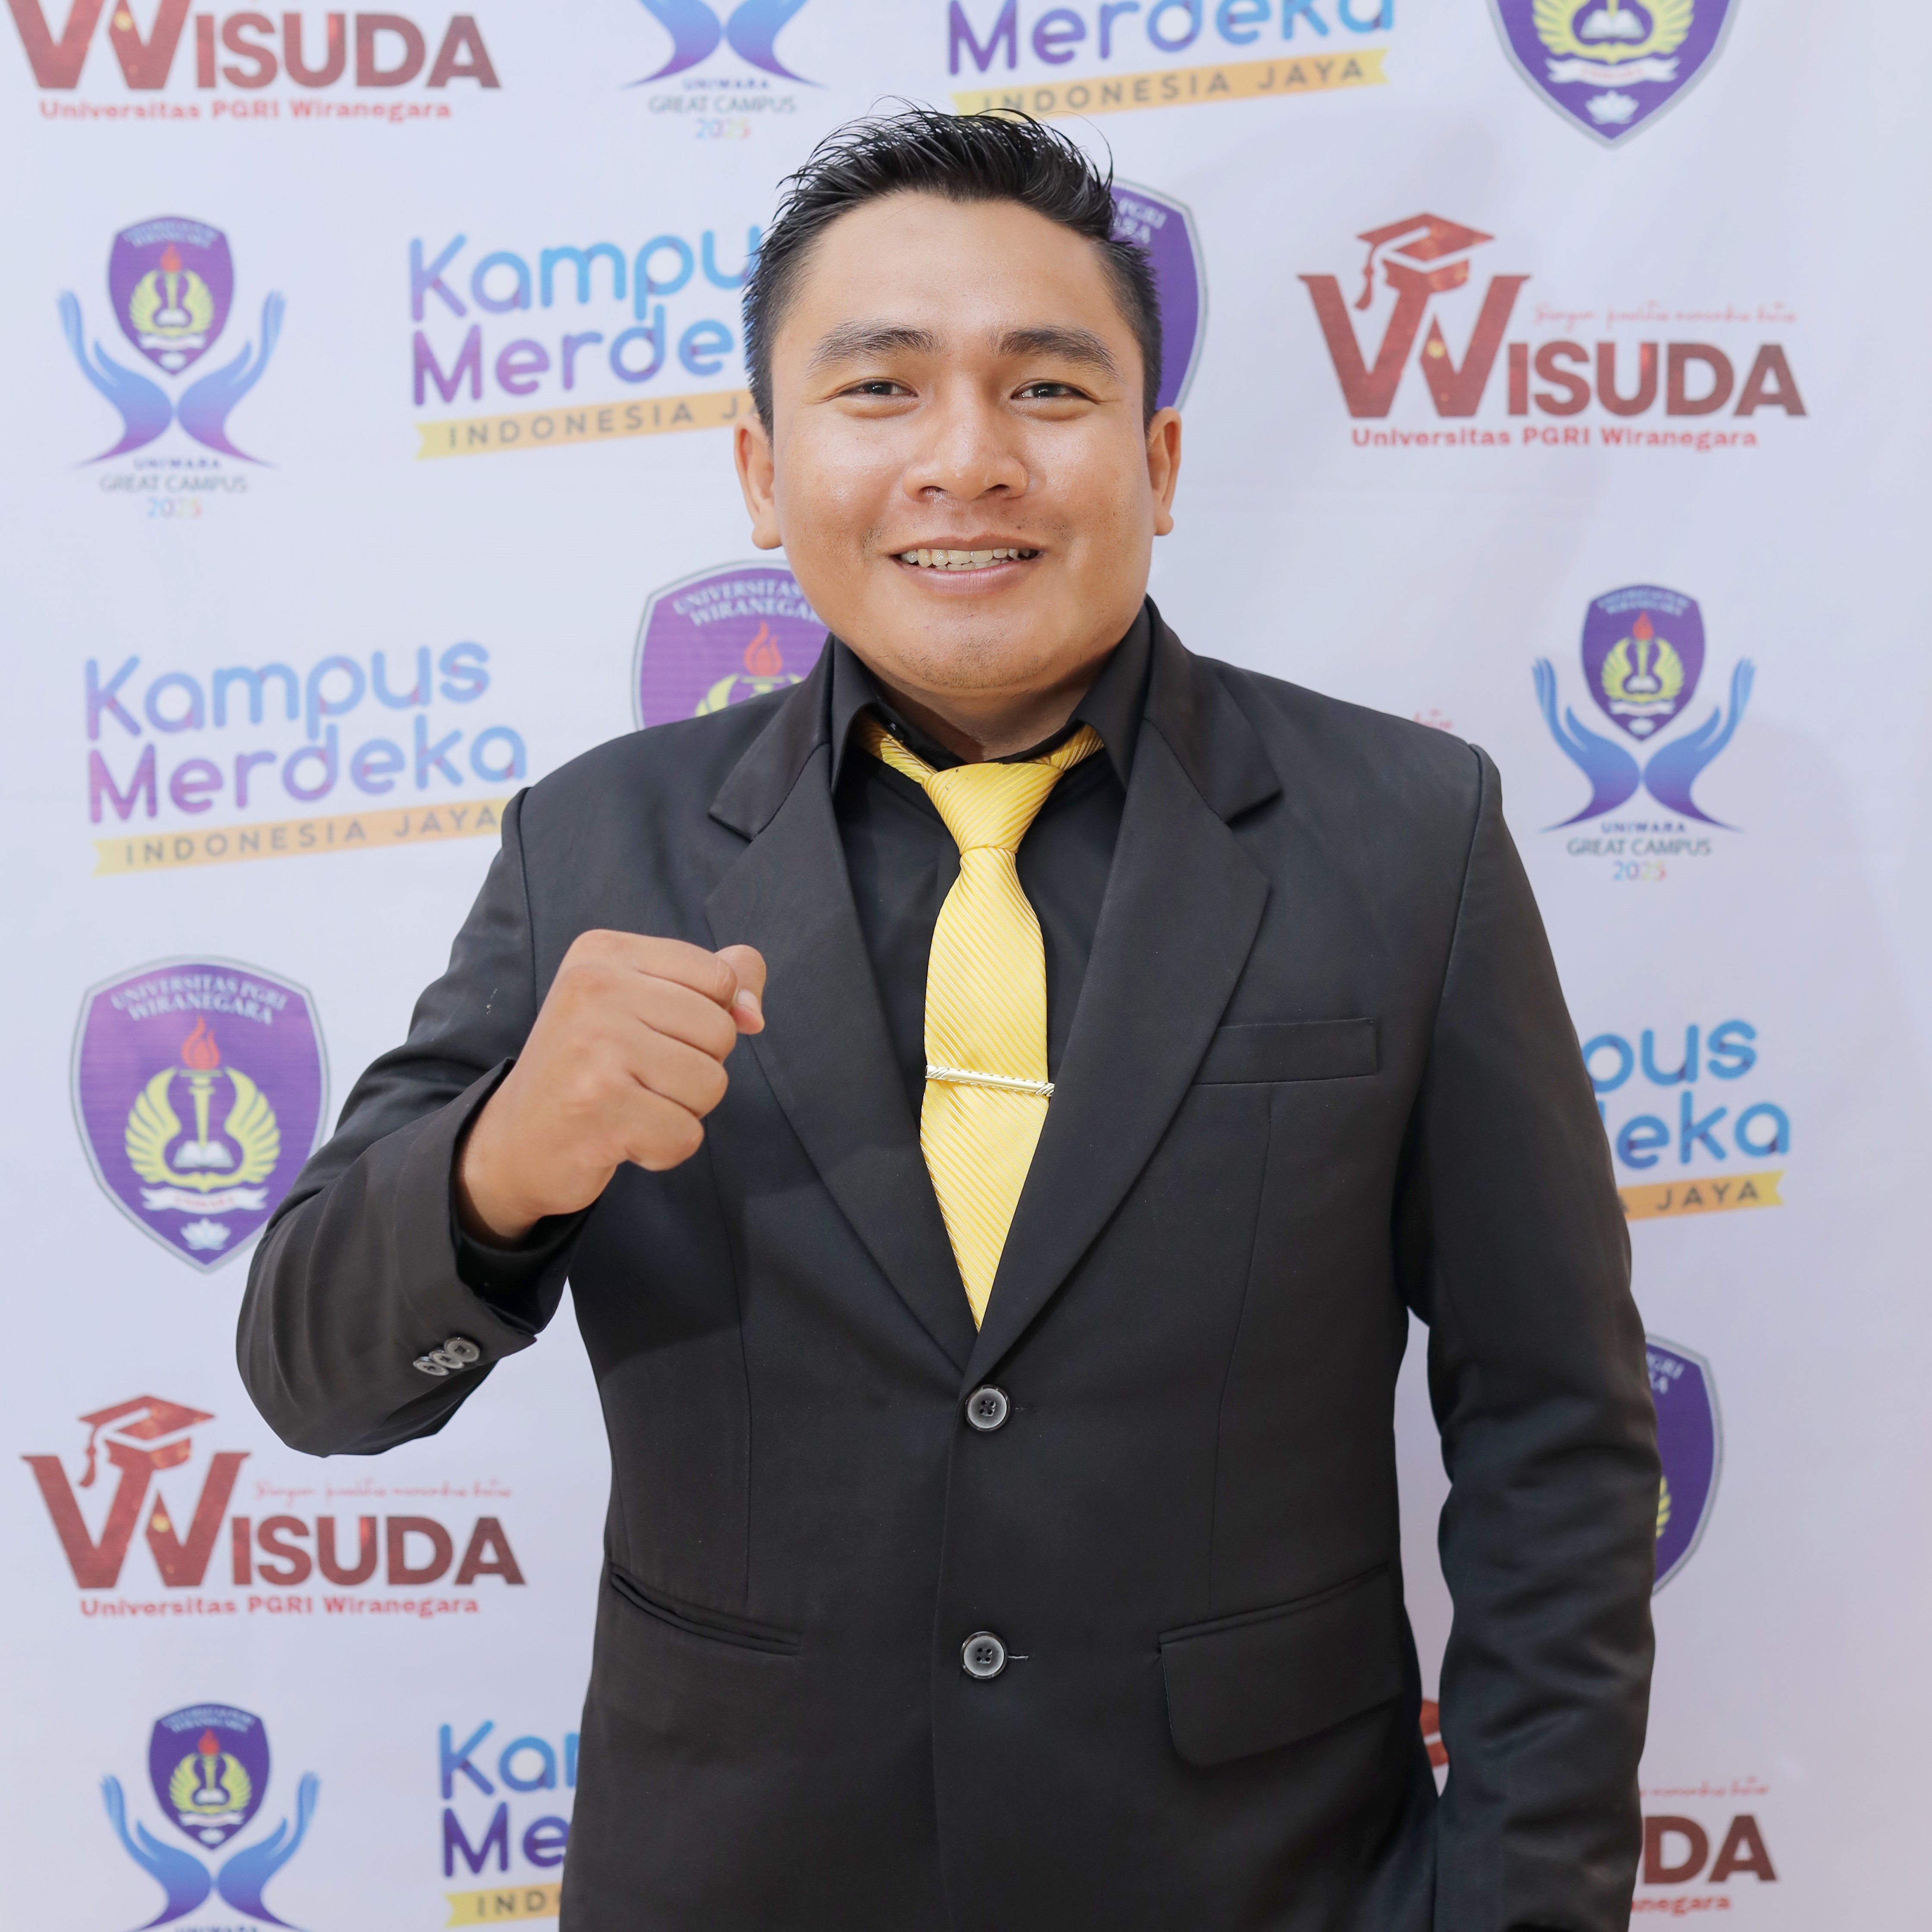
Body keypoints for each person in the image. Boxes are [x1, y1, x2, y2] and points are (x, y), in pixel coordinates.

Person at [238, 109, 1658, 1932]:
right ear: (764, 473)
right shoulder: (597, 846)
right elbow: (312, 1376)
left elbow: (1552, 1426)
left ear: (1156, 459)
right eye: (882, 390)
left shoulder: (1403, 835)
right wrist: (497, 1164)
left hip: (1266, 1881)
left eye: (1048, 391)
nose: (967, 460)